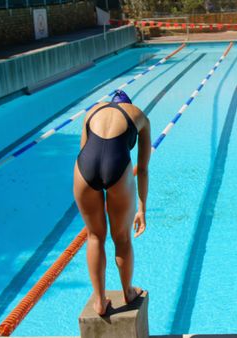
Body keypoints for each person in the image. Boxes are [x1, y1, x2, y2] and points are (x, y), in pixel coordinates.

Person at [73, 90, 151, 315]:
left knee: (95, 236)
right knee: (122, 238)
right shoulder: (140, 116)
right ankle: (128, 291)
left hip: (84, 168)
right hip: (117, 167)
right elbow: (143, 169)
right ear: (129, 105)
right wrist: (142, 208)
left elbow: (84, 151)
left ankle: (99, 301)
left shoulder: (92, 112)